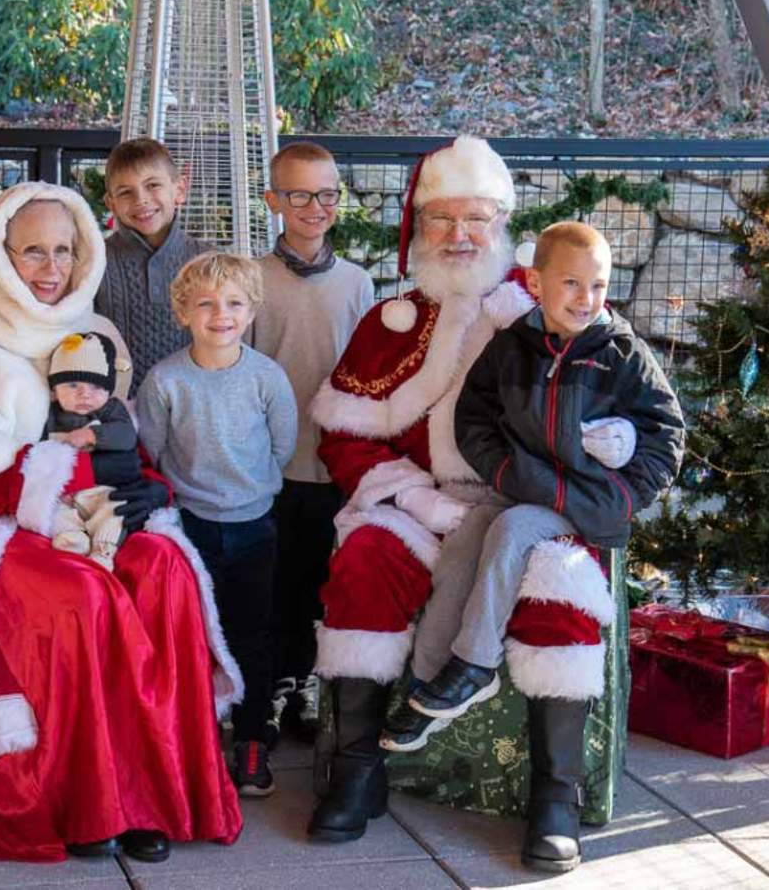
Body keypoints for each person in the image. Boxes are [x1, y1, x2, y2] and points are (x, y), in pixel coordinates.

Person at [383, 220, 685, 872]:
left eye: (598, 285)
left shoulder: (621, 353)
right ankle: (431, 683)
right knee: (469, 540)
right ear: (538, 283)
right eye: (571, 283)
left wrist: (621, 497)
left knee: (515, 530)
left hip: (579, 505)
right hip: (519, 486)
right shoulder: (514, 346)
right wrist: (502, 473)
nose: (585, 297)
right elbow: (474, 417)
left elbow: (667, 437)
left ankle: (475, 664)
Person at [0, 182, 243, 863]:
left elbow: (124, 441)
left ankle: (160, 794)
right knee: (83, 597)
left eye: (65, 249)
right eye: (33, 251)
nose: (51, 268)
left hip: (92, 507)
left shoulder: (96, 333)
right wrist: (57, 475)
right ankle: (94, 802)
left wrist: (145, 489)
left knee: (165, 572)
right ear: (0, 255)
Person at [306, 136, 537, 843]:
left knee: (559, 579)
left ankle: (555, 790)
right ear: (419, 227)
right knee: (364, 555)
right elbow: (342, 435)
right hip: (414, 505)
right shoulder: (389, 323)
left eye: (478, 219)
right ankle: (357, 769)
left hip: (512, 507)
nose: (461, 235)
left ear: (503, 225)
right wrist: (410, 496)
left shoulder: (538, 315)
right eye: (443, 220)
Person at [136, 252, 298, 799]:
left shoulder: (266, 377)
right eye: (205, 304)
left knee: (251, 632)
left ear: (250, 311)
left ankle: (251, 739)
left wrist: (251, 493)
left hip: (255, 527)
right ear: (183, 314)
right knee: (192, 634)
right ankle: (194, 737)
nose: (220, 314)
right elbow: (152, 452)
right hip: (190, 528)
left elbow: (283, 446)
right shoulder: (165, 381)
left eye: (232, 303)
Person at [251, 141, 374, 747]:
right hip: (270, 465)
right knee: (278, 582)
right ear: (274, 200)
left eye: (327, 193)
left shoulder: (357, 282)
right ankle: (271, 687)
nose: (315, 206)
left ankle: (307, 685)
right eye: (299, 194)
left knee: (324, 577)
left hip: (335, 465)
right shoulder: (250, 280)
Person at [95, 137, 211, 393]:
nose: (141, 199)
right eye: (126, 192)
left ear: (179, 189)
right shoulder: (94, 261)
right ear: (111, 203)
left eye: (153, 185)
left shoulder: (208, 260)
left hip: (192, 407)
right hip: (116, 411)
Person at [45, 331, 139, 571]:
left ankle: (103, 550)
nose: (84, 393)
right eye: (73, 385)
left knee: (115, 510)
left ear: (109, 392)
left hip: (103, 490)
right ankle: (72, 539)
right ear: (54, 391)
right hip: (65, 494)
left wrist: (93, 435)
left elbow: (127, 436)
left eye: (96, 386)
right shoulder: (50, 415)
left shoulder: (110, 410)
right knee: (53, 512)